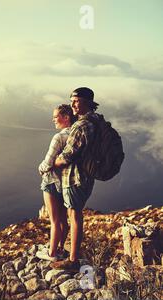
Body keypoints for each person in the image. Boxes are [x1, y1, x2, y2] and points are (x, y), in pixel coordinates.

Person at [50, 87, 100, 271]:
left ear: (88, 101)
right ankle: (72, 255)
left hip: (76, 177)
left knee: (75, 215)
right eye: (71, 101)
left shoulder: (82, 126)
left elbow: (68, 156)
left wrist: (54, 162)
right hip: (87, 176)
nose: (73, 105)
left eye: (76, 101)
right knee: (75, 214)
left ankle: (73, 260)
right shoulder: (95, 120)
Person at [36, 104, 76, 262]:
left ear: (66, 117)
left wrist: (40, 168)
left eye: (56, 117)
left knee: (54, 220)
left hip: (52, 181)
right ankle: (60, 248)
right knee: (63, 220)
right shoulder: (75, 135)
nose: (53, 120)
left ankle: (52, 253)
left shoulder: (59, 137)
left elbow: (48, 162)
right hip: (66, 181)